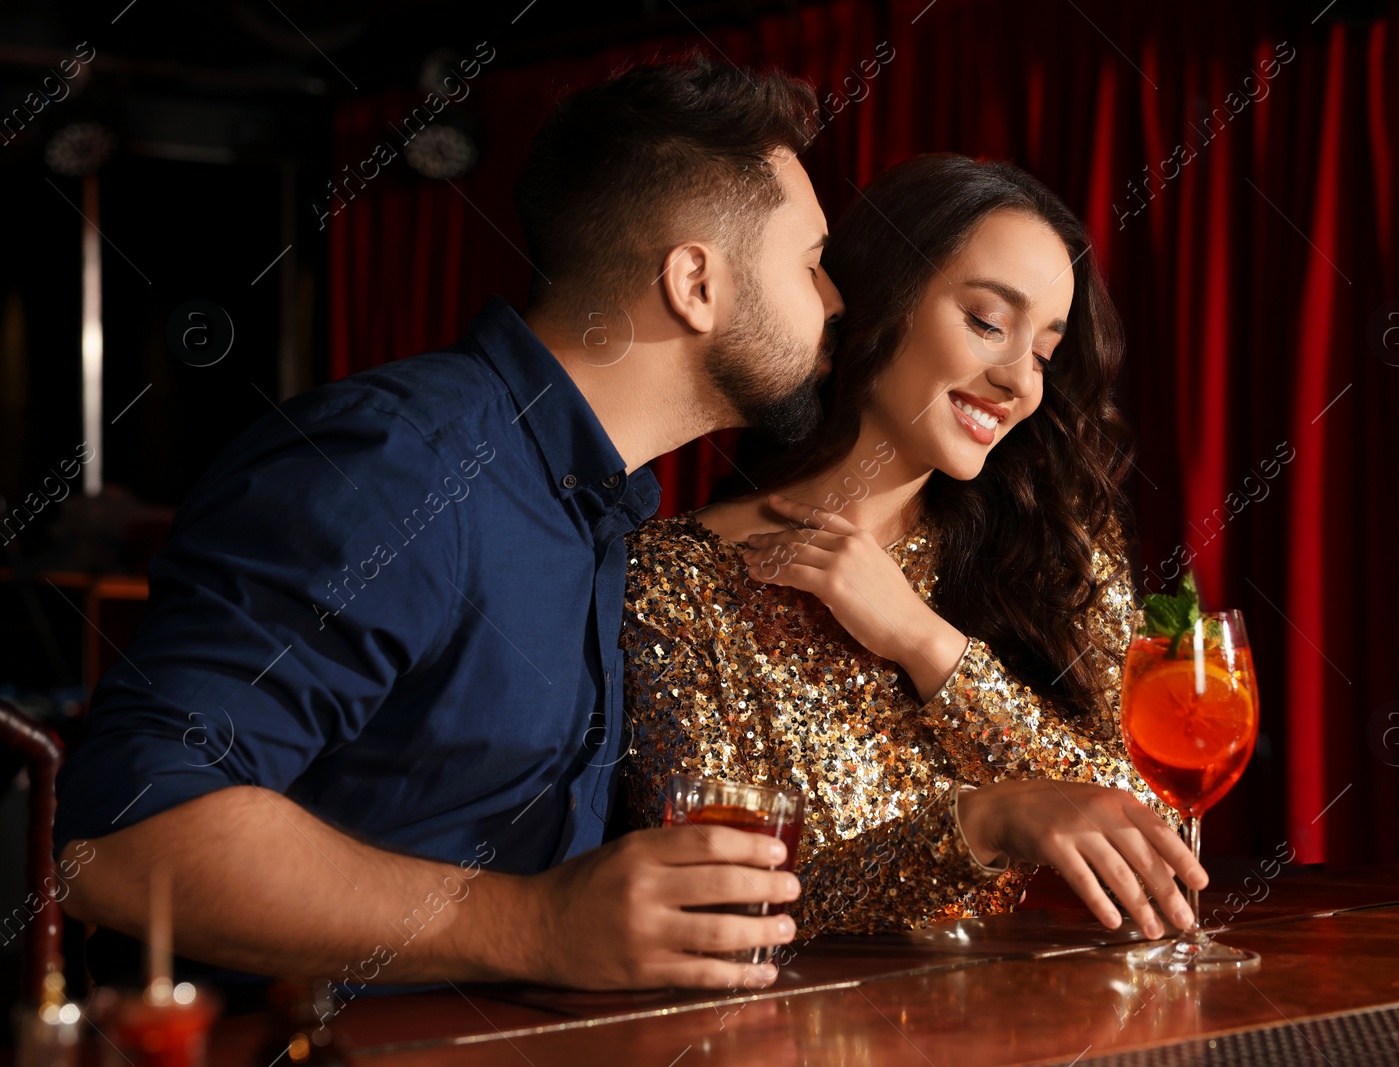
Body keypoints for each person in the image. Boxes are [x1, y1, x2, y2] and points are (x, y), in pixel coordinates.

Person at [53, 57, 843, 992]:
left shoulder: (603, 507)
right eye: (812, 261)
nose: (834, 301)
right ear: (695, 284)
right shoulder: (401, 462)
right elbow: (119, 839)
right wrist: (537, 923)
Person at [619, 154, 1206, 941]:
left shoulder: (1055, 551)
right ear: (881, 297)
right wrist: (983, 820)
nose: (1019, 382)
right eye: (989, 322)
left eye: (1044, 356)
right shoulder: (677, 579)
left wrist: (929, 646)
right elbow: (732, 910)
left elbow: (1156, 834)